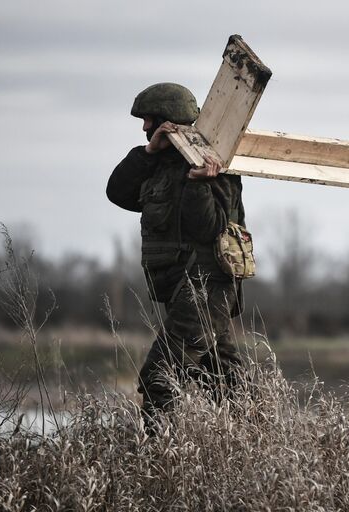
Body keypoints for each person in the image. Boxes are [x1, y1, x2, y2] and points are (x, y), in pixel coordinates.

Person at [106, 82, 246, 432]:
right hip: (181, 287)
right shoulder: (157, 166)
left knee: (160, 374)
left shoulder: (215, 162)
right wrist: (148, 153)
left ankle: (159, 456)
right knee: (223, 378)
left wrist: (199, 183)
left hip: (205, 287)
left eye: (150, 120)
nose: (144, 128)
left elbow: (210, 228)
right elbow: (118, 192)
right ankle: (252, 445)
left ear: (170, 121)